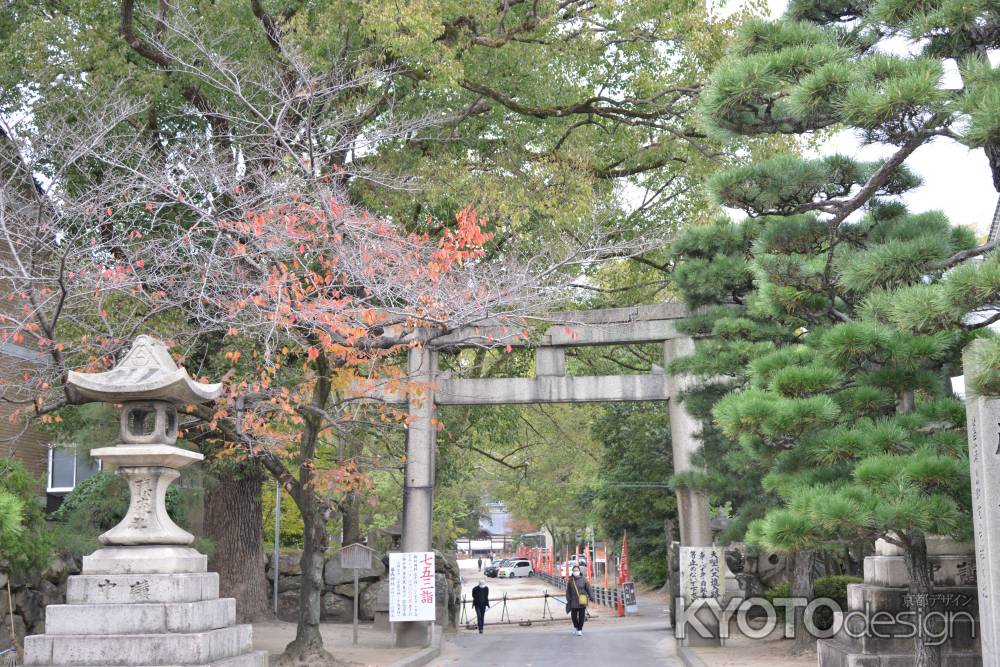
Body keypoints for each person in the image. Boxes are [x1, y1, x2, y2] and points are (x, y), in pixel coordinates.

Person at [565, 565, 592, 636]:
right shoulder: (570, 580)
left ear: (579, 571)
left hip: (582, 600)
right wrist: (568, 599)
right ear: (572, 572)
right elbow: (568, 591)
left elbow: (588, 588)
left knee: (581, 616)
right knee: (573, 616)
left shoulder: (584, 579)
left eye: (577, 570)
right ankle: (576, 626)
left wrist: (591, 596)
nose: (575, 571)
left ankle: (580, 630)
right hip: (573, 601)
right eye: (574, 570)